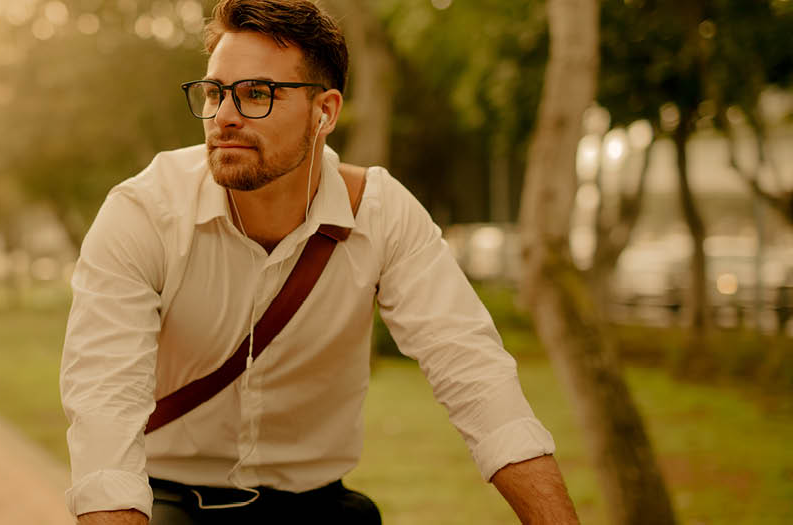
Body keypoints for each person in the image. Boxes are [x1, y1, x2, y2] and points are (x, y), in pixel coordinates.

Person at [59, 0, 581, 523]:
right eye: (215, 92)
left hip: (320, 507)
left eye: (257, 94)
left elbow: (475, 374)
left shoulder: (380, 214)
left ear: (325, 112)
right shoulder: (144, 213)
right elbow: (104, 405)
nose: (224, 116)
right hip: (171, 500)